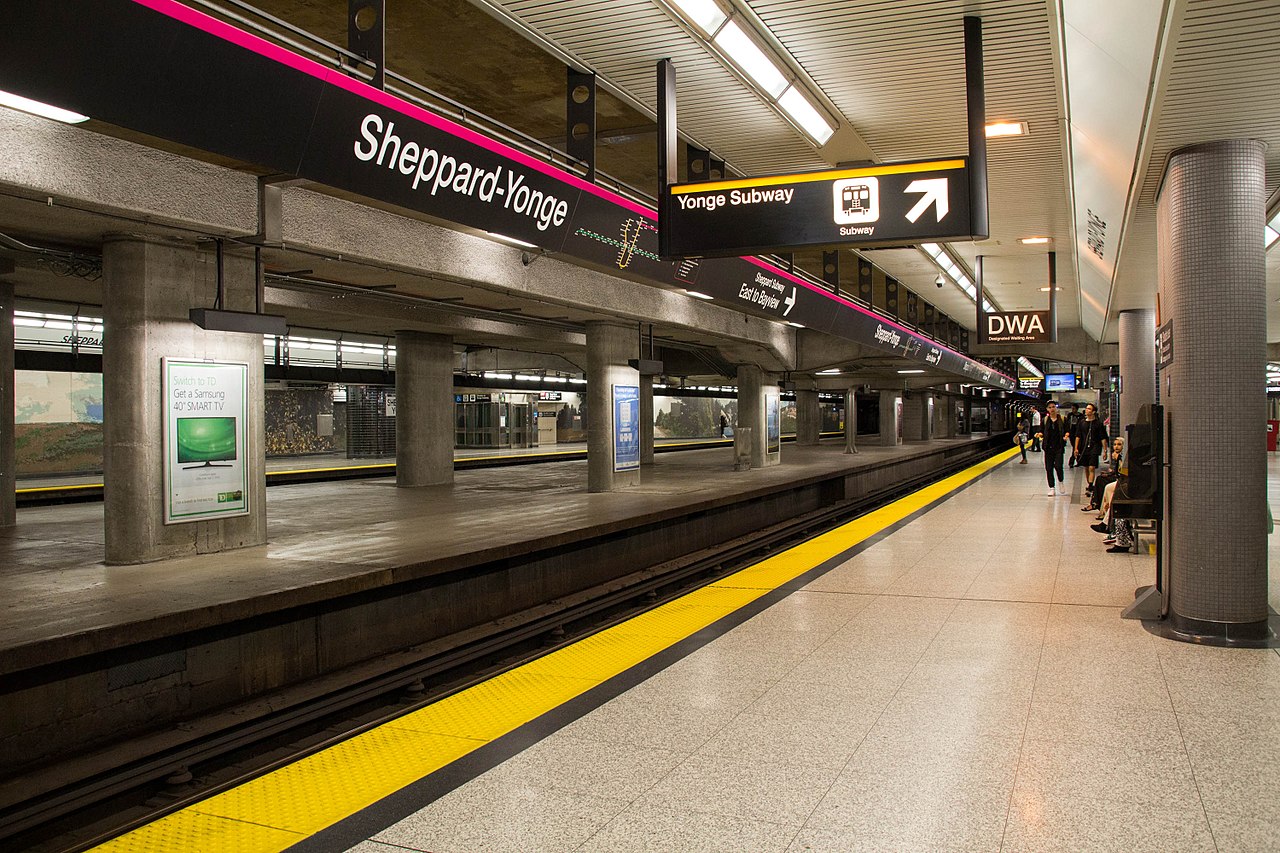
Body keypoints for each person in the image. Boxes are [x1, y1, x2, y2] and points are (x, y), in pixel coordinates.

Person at [1073, 403, 1108, 496]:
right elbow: (1078, 436)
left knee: (1092, 467)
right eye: (1086, 408)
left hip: (1095, 447)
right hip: (1084, 448)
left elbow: (1103, 437)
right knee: (1086, 467)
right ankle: (1089, 483)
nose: (1087, 410)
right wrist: (1076, 448)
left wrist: (1105, 450)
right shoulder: (1082, 423)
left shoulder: (1098, 424)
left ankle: (1090, 485)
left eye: (1089, 409)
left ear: (1093, 411)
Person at [1037, 400, 1068, 496]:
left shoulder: (1063, 419)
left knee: (1058, 466)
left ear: (1056, 408)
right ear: (1047, 409)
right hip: (1048, 447)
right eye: (1050, 407)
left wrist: (1066, 436)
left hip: (1059, 446)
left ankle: (1061, 481)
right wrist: (1039, 434)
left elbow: (1067, 430)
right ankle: (1052, 487)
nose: (1052, 409)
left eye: (1053, 407)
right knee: (1049, 468)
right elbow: (1042, 431)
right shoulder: (1045, 420)